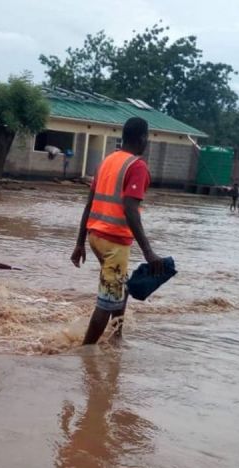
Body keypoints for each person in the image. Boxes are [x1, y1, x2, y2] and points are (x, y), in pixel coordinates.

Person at [70, 117, 163, 345]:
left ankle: (116, 336)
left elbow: (89, 204)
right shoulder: (137, 166)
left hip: (95, 238)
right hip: (114, 243)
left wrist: (80, 243)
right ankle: (85, 351)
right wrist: (149, 252)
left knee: (119, 286)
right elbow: (131, 210)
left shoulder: (106, 162)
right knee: (108, 299)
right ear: (143, 138)